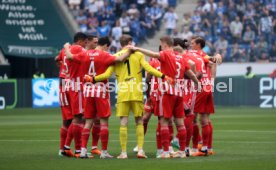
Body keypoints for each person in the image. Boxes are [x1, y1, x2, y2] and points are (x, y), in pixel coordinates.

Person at [85, 35, 173, 159]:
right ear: (130, 42)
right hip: (136, 90)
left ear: (120, 44)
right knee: (139, 121)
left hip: (123, 91)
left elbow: (107, 74)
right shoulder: (138, 55)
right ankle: (141, 151)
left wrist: (93, 79)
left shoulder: (115, 56)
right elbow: (149, 69)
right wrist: (164, 76)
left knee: (123, 121)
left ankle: (124, 153)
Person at [129, 36, 201, 158]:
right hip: (179, 93)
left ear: (165, 44)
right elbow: (191, 74)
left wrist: (136, 49)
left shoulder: (166, 54)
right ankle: (183, 151)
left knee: (163, 121)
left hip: (166, 92)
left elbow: (154, 55)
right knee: (179, 123)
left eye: (161, 43)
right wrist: (198, 84)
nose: (161, 46)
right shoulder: (181, 58)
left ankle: (165, 151)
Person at [65, 36, 131, 159]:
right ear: (105, 45)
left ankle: (83, 150)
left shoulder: (85, 54)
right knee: (104, 121)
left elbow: (69, 57)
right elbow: (121, 58)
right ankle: (104, 152)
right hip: (100, 90)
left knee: (88, 121)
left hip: (87, 91)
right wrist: (130, 50)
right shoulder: (104, 55)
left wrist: (66, 47)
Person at [61, 32, 88, 158]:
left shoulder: (64, 50)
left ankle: (66, 147)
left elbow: (58, 60)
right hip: (77, 86)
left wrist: (66, 48)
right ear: (80, 41)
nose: (86, 45)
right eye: (85, 42)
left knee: (75, 118)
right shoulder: (78, 49)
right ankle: (78, 150)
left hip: (68, 84)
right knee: (79, 117)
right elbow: (73, 58)